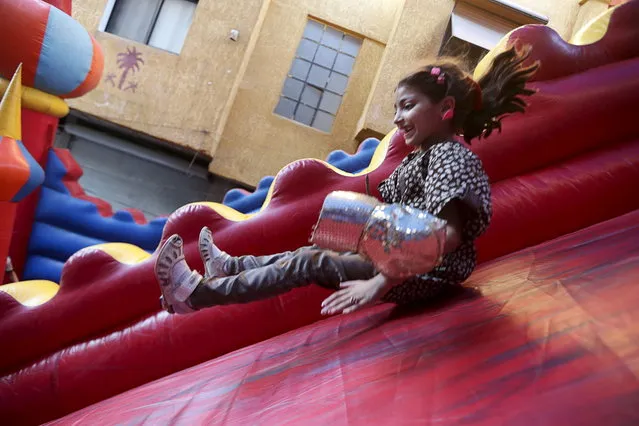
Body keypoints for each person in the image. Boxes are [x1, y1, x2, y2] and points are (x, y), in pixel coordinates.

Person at [154, 46, 538, 316]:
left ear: (446, 109)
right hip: (401, 259)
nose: (398, 119)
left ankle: (193, 296)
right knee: (309, 249)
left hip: (423, 273)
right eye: (396, 109)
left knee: (309, 261)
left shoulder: (452, 157)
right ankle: (232, 268)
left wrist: (380, 283)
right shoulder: (425, 155)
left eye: (408, 106)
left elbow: (446, 237)